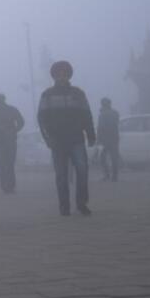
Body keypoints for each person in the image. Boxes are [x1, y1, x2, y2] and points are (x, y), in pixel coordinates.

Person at [37, 61, 96, 216]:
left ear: (68, 75)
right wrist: (47, 138)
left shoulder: (78, 93)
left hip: (76, 138)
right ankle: (64, 207)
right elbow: (41, 118)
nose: (61, 76)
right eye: (58, 74)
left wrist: (91, 135)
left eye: (64, 73)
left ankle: (82, 203)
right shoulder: (47, 95)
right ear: (54, 76)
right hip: (57, 141)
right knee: (61, 175)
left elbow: (86, 114)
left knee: (82, 171)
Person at [0, 93, 25, 193]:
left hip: (8, 139)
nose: (0, 100)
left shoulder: (7, 110)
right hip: (1, 140)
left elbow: (21, 122)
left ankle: (8, 185)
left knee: (8, 163)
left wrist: (14, 130)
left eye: (0, 99)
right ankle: (7, 185)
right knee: (5, 163)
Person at [97, 97, 121, 182]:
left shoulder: (103, 114)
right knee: (114, 157)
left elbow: (100, 128)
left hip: (104, 140)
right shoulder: (115, 113)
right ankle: (115, 176)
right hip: (114, 138)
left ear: (103, 104)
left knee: (102, 157)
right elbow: (116, 124)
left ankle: (107, 175)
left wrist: (98, 140)